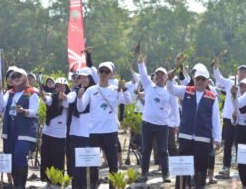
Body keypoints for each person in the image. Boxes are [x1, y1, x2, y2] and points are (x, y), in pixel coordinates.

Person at [77, 62, 131, 189]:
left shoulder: (115, 89)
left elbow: (128, 101)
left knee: (113, 163)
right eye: (101, 71)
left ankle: (112, 187)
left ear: (111, 74)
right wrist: (79, 97)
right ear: (98, 73)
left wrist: (125, 89)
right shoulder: (91, 90)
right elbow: (80, 108)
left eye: (107, 71)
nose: (103, 74)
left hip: (110, 132)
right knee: (93, 164)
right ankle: (93, 186)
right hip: (94, 132)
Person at [167, 66, 221, 189]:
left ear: (207, 81)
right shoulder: (186, 90)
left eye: (203, 79)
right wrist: (170, 80)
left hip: (203, 140)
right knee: (182, 168)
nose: (200, 82)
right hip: (185, 137)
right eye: (198, 79)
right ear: (194, 79)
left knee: (201, 169)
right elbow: (171, 89)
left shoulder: (212, 97)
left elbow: (215, 119)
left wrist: (217, 138)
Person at [136, 54, 180, 183]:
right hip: (147, 124)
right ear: (154, 77)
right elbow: (143, 74)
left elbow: (175, 108)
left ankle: (166, 175)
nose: (160, 77)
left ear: (167, 78)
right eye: (157, 75)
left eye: (162, 75)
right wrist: (140, 62)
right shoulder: (149, 86)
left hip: (162, 125)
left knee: (163, 150)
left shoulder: (170, 91)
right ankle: (144, 174)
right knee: (146, 150)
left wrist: (175, 124)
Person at [213, 55, 246, 178]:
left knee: (240, 145)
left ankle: (241, 167)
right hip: (228, 118)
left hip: (243, 121)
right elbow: (218, 77)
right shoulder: (230, 83)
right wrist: (216, 66)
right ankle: (226, 167)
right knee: (228, 143)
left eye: (244, 71)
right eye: (240, 71)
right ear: (237, 73)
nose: (242, 73)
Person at [2, 68, 39, 189]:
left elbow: (35, 111)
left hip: (24, 131)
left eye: (19, 75)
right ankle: (15, 184)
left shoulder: (32, 92)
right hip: (10, 131)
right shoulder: (9, 93)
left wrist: (24, 111)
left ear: (25, 78)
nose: (16, 78)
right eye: (13, 76)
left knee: (19, 155)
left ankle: (20, 185)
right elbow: (1, 106)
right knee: (11, 157)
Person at [40, 78, 72, 186]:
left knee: (58, 160)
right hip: (47, 133)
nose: (60, 88)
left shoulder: (69, 98)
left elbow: (67, 104)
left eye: (63, 86)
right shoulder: (52, 97)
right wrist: (43, 95)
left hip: (60, 136)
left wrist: (63, 99)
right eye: (58, 86)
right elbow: (46, 99)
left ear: (66, 87)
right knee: (46, 158)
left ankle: (58, 184)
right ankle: (48, 182)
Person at [232, 78, 246, 188]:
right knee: (242, 159)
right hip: (240, 131)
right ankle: (245, 183)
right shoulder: (237, 100)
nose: (243, 89)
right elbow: (234, 120)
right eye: (242, 87)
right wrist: (234, 119)